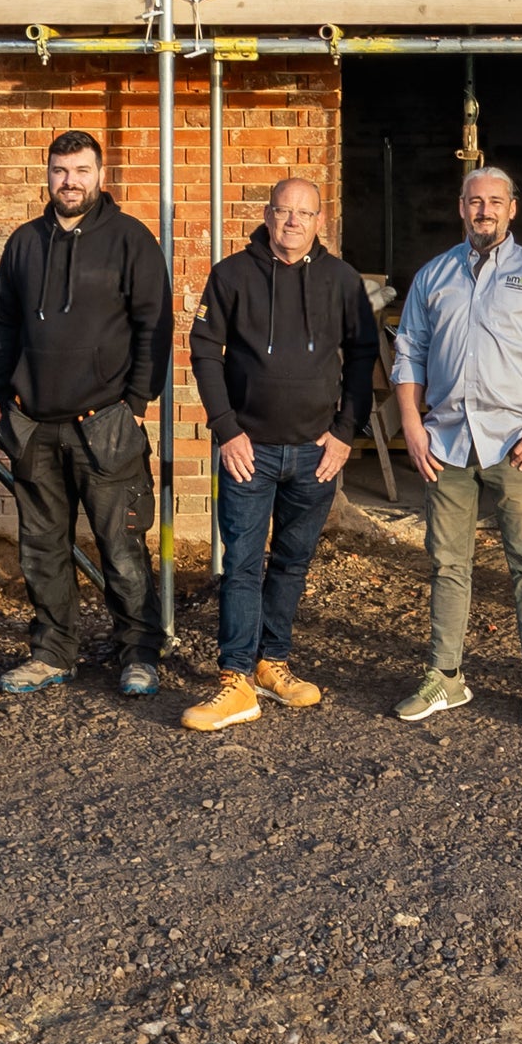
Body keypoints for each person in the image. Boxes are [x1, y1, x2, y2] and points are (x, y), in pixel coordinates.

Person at [181, 175, 375, 733]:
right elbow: (203, 349)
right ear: (267, 215)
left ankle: (273, 662)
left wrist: (345, 432)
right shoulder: (232, 275)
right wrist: (225, 428)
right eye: (283, 211)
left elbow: (363, 357)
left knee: (292, 562)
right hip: (250, 450)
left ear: (320, 221)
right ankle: (235, 677)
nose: (292, 221)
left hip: (317, 453)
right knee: (241, 564)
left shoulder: (342, 281)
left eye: (304, 213)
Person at [0, 129, 172, 697]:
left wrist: (137, 404)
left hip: (106, 423)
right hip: (35, 423)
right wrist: (5, 397)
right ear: (48, 175)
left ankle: (139, 654)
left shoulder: (130, 240)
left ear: (101, 174)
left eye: (82, 171)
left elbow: (155, 325)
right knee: (41, 550)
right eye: (61, 171)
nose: (70, 182)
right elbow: (2, 326)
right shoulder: (23, 243)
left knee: (122, 548)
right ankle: (52, 653)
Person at [393, 165, 522, 726]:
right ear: (461, 208)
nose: (485, 210)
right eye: (475, 201)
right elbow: (409, 353)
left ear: (512, 209)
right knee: (448, 563)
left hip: (515, 444)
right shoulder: (432, 277)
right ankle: (445, 676)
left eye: (496, 201)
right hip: (446, 442)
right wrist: (411, 424)